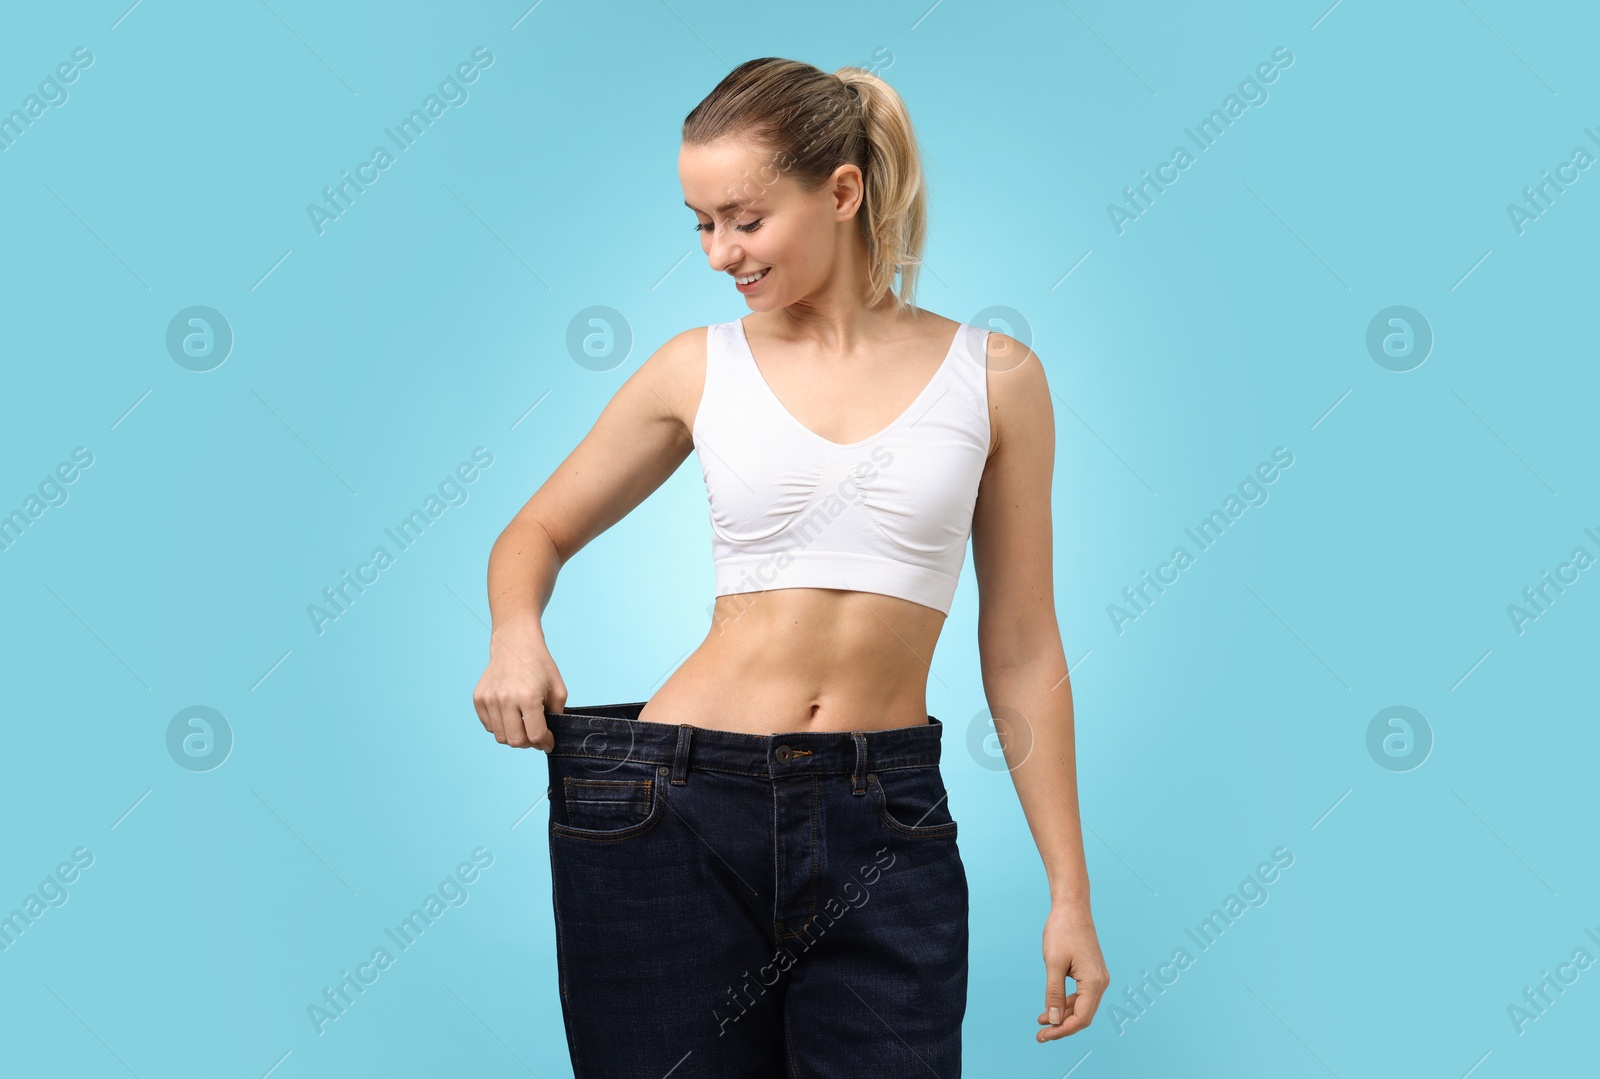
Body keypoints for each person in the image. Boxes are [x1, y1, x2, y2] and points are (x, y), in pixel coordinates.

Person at [473, 55, 1108, 1077]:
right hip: (671, 804)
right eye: (700, 223)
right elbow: (531, 535)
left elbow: (1024, 643)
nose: (721, 251)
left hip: (883, 813)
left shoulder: (994, 379)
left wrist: (1068, 890)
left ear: (842, 191)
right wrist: (516, 631)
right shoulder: (697, 364)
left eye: (744, 217)